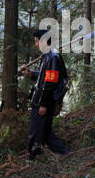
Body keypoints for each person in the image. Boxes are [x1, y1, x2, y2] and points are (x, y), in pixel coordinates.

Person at [20, 29, 69, 160]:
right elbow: (44, 77)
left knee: (36, 131)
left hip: (43, 101)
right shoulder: (47, 56)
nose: (36, 44)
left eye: (37, 41)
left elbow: (50, 84)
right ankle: (64, 152)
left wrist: (43, 104)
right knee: (46, 131)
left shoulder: (53, 57)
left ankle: (33, 157)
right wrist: (31, 73)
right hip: (40, 99)